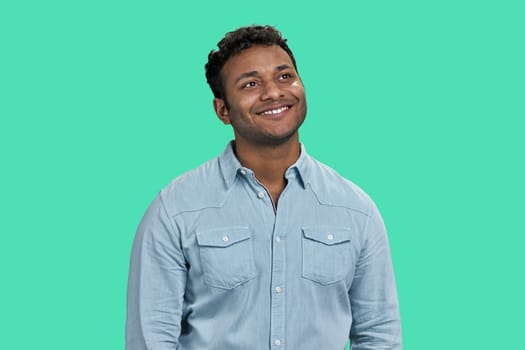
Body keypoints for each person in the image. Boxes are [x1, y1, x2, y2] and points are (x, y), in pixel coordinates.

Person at [126, 25, 402, 350]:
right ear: (222, 110)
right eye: (251, 83)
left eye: (285, 76)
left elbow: (379, 335)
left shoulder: (356, 209)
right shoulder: (176, 209)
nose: (273, 92)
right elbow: (151, 340)